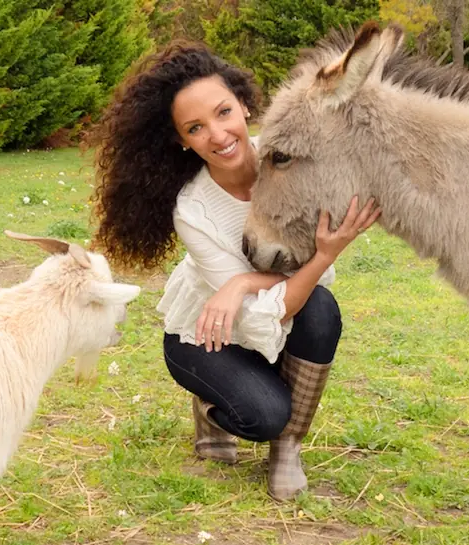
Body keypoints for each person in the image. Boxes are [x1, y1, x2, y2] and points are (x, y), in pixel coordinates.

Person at [87, 39, 380, 501]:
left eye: (224, 113)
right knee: (262, 415)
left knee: (320, 308)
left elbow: (309, 284)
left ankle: (288, 451)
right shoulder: (193, 209)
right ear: (181, 141)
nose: (218, 135)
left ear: (244, 105)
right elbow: (254, 307)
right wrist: (319, 256)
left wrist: (248, 278)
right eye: (196, 127)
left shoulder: (289, 160)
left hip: (270, 316)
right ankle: (211, 407)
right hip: (209, 334)